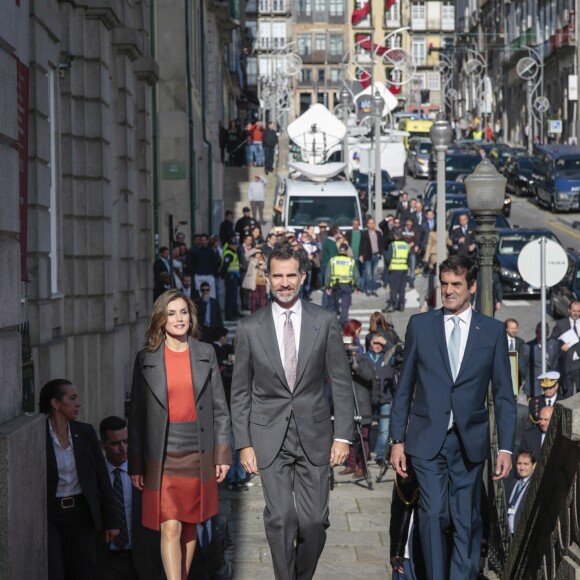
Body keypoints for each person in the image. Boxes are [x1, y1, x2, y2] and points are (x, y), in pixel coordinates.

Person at [230, 246, 355, 580]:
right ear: (267, 278)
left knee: (314, 521)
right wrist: (243, 443)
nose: (284, 283)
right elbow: (240, 391)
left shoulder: (325, 320)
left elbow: (341, 382)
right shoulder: (249, 328)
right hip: (268, 436)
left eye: (290, 275)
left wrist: (343, 436)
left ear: (302, 277)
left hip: (315, 435)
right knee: (281, 517)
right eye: (277, 276)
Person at [389, 255, 516, 580]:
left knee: (466, 519)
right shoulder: (421, 325)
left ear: (471, 287)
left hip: (469, 444)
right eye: (444, 284)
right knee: (431, 515)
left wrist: (505, 448)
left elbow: (503, 395)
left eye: (456, 284)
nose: (448, 291)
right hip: (426, 439)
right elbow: (404, 387)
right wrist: (396, 440)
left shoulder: (492, 331)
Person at [128, 290, 231, 580]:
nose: (179, 319)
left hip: (199, 454)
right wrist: (135, 464)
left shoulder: (206, 353)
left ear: (191, 316)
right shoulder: (145, 359)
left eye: (183, 312)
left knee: (189, 525)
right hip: (162, 456)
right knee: (170, 525)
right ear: (161, 320)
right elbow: (136, 416)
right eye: (171, 313)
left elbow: (220, 408)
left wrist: (223, 454)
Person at [41, 379, 119, 579]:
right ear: (56, 403)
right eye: (72, 398)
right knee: (55, 571)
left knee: (83, 571)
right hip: (51, 515)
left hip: (82, 513)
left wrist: (111, 520)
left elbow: (102, 477)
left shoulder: (85, 432)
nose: (78, 404)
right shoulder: (38, 434)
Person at [99, 416, 164, 580]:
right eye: (115, 444)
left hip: (142, 555)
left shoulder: (146, 471)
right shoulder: (95, 474)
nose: (123, 448)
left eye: (126, 441)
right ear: (103, 445)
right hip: (107, 557)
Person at [325, 242, 361, 326]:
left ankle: (332, 322)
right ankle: (343, 321)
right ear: (347, 250)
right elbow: (356, 275)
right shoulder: (351, 261)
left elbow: (328, 274)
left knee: (333, 304)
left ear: (339, 250)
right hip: (347, 285)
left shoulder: (333, 260)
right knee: (345, 305)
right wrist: (358, 287)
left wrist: (327, 286)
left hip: (335, 285)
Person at [188, 514, 235, 579]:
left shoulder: (221, 521)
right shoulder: (187, 524)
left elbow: (228, 546)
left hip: (218, 576)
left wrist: (229, 569)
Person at [551, 300, 580, 398]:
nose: (576, 313)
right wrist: (560, 346)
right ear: (569, 310)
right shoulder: (561, 324)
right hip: (567, 363)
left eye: (578, 311)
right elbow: (552, 341)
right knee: (568, 394)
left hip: (579, 363)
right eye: (574, 311)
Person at [523, 323, 560, 399]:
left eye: (545, 333)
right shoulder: (527, 347)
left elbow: (555, 361)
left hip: (550, 385)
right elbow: (522, 366)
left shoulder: (554, 344)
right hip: (533, 385)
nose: (543, 336)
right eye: (540, 333)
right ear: (536, 332)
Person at [506, 450, 536, 536]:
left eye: (526, 464)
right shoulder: (512, 484)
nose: (522, 468)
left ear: (533, 465)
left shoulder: (533, 486)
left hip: (522, 534)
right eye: (519, 463)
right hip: (507, 534)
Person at [384, 229, 409, 313]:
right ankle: (401, 304)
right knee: (402, 287)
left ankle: (392, 304)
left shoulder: (393, 245)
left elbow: (388, 258)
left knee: (394, 287)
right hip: (404, 268)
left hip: (395, 268)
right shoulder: (406, 245)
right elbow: (408, 258)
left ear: (396, 236)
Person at [359, 217, 383, 296]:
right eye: (370, 223)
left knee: (374, 273)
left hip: (376, 255)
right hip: (367, 255)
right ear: (367, 224)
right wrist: (361, 255)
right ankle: (368, 289)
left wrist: (380, 253)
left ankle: (373, 289)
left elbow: (381, 244)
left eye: (373, 223)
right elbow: (361, 245)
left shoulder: (378, 233)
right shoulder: (364, 234)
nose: (371, 224)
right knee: (368, 273)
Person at [220, 237, 242, 321]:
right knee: (230, 297)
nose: (234, 246)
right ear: (229, 245)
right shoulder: (229, 253)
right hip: (230, 277)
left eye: (235, 244)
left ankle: (234, 312)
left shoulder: (233, 252)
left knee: (234, 296)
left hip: (234, 277)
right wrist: (222, 275)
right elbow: (225, 266)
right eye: (233, 244)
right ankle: (229, 315)